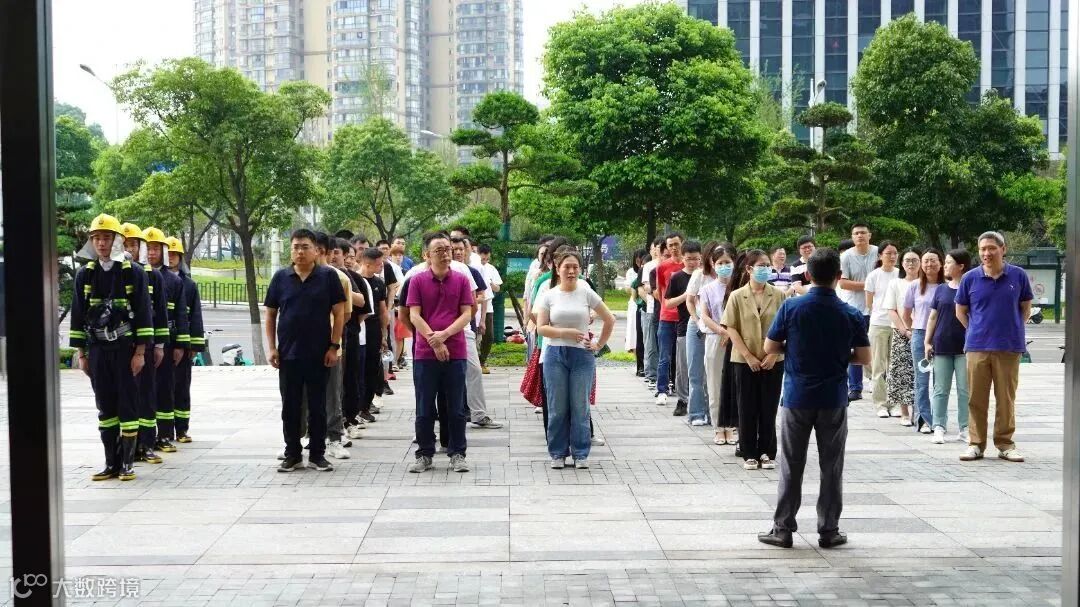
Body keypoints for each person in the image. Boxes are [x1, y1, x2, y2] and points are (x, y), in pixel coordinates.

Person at [757, 248, 871, 549]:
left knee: (791, 464)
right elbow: (863, 357)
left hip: (797, 395)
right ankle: (829, 530)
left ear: (808, 274)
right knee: (831, 466)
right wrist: (839, 356)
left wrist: (794, 350)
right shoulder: (850, 313)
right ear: (839, 276)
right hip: (833, 397)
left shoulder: (791, 306)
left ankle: (783, 528)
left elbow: (770, 347)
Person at [69, 214, 155, 481]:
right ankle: (111, 463)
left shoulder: (133, 273)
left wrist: (140, 352)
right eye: (96, 238)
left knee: (127, 404)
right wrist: (81, 354)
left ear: (117, 240)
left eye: (106, 238)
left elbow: (144, 313)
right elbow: (78, 314)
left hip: (125, 349)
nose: (101, 243)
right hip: (98, 350)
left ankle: (127, 464)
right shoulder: (85, 274)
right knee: (105, 405)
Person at [264, 229, 346, 472]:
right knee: (290, 407)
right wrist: (272, 348)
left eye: (305, 247)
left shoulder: (328, 277)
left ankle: (318, 454)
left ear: (316, 250)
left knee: (318, 407)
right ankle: (293, 454)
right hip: (288, 355)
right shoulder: (281, 278)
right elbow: (270, 315)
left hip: (319, 354)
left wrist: (334, 346)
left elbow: (339, 314)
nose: (300, 251)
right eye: (296, 247)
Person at [535, 249, 616, 469]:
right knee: (557, 407)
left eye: (575, 267)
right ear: (557, 269)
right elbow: (541, 328)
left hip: (582, 356)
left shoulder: (586, 292)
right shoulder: (549, 295)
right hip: (555, 354)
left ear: (580, 269)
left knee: (580, 406)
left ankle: (580, 453)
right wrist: (565, 332)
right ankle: (557, 452)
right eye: (566, 267)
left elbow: (610, 319)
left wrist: (598, 344)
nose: (571, 271)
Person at [955, 231, 1031, 463]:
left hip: (1009, 347)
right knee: (976, 398)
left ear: (1003, 249)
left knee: (1006, 398)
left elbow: (1025, 309)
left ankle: (1005, 444)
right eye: (982, 249)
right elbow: (961, 311)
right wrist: (976, 330)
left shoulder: (1018, 275)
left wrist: (1011, 329)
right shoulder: (970, 278)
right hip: (977, 346)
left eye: (991, 248)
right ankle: (976, 444)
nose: (986, 253)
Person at [407, 232, 476, 473]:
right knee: (424, 406)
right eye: (439, 250)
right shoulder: (417, 281)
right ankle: (424, 453)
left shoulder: (461, 280)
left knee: (456, 406)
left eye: (447, 249)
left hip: (455, 350)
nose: (446, 253)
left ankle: (457, 453)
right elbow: (414, 315)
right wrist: (434, 341)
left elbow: (467, 313)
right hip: (425, 353)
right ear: (427, 254)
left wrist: (444, 335)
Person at [722, 249, 787, 471]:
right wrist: (748, 356)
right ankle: (749, 452)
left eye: (767, 265)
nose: (765, 269)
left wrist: (773, 354)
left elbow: (786, 327)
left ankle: (767, 451)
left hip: (773, 360)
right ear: (749, 269)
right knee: (746, 406)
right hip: (744, 360)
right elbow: (731, 327)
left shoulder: (778, 295)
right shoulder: (737, 296)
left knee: (768, 407)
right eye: (760, 266)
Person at [120, 222, 168, 465]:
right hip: (121, 346)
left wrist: (159, 346)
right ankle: (127, 447)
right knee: (125, 396)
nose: (129, 249)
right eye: (125, 244)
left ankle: (147, 444)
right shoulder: (115, 273)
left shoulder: (153, 275)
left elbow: (160, 313)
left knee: (147, 393)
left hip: (146, 345)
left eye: (133, 245)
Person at [142, 227, 187, 455]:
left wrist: (180, 345)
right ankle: (146, 438)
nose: (151, 253)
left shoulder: (174, 280)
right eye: (148, 248)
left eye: (156, 249)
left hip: (166, 342)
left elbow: (181, 314)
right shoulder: (138, 274)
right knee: (146, 391)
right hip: (144, 343)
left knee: (165, 388)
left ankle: (165, 434)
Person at [450, 237, 502, 429]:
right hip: (440, 332)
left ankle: (478, 414)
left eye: (460, 249)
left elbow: (480, 297)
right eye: (453, 249)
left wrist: (474, 318)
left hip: (465, 329)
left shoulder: (469, 271)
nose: (457, 252)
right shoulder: (424, 273)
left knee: (474, 370)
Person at [925, 249, 972, 445]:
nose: (945, 266)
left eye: (949, 262)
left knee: (964, 390)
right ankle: (939, 426)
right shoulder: (941, 289)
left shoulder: (971, 288)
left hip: (965, 346)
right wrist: (927, 341)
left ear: (961, 266)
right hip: (942, 344)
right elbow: (933, 317)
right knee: (940, 389)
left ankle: (965, 428)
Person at [164, 237, 205, 443]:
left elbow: (195, 315)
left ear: (180, 257)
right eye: (168, 254)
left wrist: (193, 344)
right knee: (164, 387)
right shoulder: (157, 278)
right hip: (164, 341)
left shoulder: (189, 285)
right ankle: (165, 431)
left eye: (174, 255)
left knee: (181, 386)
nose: (171, 258)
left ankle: (181, 429)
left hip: (183, 341)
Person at [319, 233, 355, 459]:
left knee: (333, 395)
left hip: (331, 347)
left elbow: (346, 314)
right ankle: (304, 437)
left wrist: (334, 342)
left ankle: (334, 438)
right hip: (302, 349)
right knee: (302, 397)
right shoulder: (292, 277)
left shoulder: (339, 278)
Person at [698, 243, 737, 443]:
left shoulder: (739, 287)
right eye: (720, 263)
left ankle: (731, 426)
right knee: (714, 384)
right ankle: (718, 427)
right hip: (715, 339)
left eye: (727, 262)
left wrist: (731, 333)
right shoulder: (707, 289)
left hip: (737, 341)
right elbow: (705, 316)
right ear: (713, 264)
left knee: (734, 385)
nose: (724, 266)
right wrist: (721, 330)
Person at [903, 248, 944, 433]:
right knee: (921, 379)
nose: (929, 264)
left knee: (940, 381)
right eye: (925, 260)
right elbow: (906, 313)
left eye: (933, 260)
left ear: (941, 263)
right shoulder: (914, 286)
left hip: (942, 336)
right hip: (920, 335)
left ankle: (939, 420)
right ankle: (924, 420)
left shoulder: (946, 286)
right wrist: (913, 331)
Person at [663, 240, 702, 417]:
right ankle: (682, 400)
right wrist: (687, 296)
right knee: (683, 366)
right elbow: (668, 303)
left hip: (705, 326)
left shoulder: (705, 276)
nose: (692, 262)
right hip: (684, 326)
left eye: (695, 259)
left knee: (701, 367)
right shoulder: (677, 277)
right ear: (683, 258)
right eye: (688, 259)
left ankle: (700, 400)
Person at [839, 223, 878, 402]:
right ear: (852, 237)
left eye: (863, 232)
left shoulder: (879, 252)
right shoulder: (846, 256)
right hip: (854, 308)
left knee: (879, 348)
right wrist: (870, 285)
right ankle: (855, 387)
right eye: (856, 233)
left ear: (870, 235)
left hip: (878, 308)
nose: (860, 236)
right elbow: (843, 283)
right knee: (854, 346)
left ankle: (881, 384)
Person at [338, 240, 373, 441]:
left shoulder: (353, 278)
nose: (346, 259)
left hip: (349, 336)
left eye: (349, 256)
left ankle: (349, 420)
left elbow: (363, 306)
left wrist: (351, 327)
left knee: (349, 380)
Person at [884, 248, 922, 426]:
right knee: (901, 373)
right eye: (907, 260)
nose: (911, 264)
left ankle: (920, 412)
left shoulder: (926, 283)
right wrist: (905, 330)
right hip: (901, 333)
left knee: (920, 373)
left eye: (914, 260)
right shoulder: (895, 283)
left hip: (923, 332)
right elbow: (891, 309)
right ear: (902, 263)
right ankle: (905, 412)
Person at [863, 241, 900, 418]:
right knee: (878, 366)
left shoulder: (900, 274)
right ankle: (880, 404)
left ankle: (895, 403)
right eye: (888, 253)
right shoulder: (873, 276)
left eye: (895, 253)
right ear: (880, 256)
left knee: (896, 365)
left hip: (898, 324)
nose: (892, 256)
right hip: (879, 323)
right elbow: (869, 302)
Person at [684, 242, 716, 425]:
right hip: (697, 326)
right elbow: (689, 301)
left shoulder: (728, 277)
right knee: (695, 372)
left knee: (714, 374)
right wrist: (697, 321)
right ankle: (696, 413)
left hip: (717, 329)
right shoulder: (699, 275)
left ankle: (714, 414)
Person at [357, 248, 389, 422]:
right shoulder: (355, 280)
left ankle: (366, 406)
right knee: (358, 370)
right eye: (378, 264)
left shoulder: (379, 283)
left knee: (372, 368)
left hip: (374, 329)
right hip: (358, 328)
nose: (381, 266)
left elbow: (383, 310)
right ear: (367, 264)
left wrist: (384, 335)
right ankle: (355, 406)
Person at [653, 233, 685, 406]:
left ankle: (683, 389)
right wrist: (668, 307)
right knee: (664, 356)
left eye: (676, 244)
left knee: (683, 356)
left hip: (685, 317)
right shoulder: (662, 267)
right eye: (670, 245)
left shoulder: (689, 264)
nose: (673, 248)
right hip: (666, 316)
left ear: (682, 244)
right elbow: (660, 292)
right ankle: (661, 390)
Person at [640, 238, 664, 390]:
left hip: (668, 309)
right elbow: (646, 287)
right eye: (657, 247)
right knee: (652, 343)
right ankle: (652, 374)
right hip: (652, 308)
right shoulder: (649, 266)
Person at [477, 243, 503, 374]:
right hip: (475, 306)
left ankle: (482, 361)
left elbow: (498, 288)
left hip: (488, 308)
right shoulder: (474, 267)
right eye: (483, 259)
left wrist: (491, 283)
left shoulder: (491, 268)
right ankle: (474, 362)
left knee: (489, 336)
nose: (485, 261)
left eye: (487, 259)